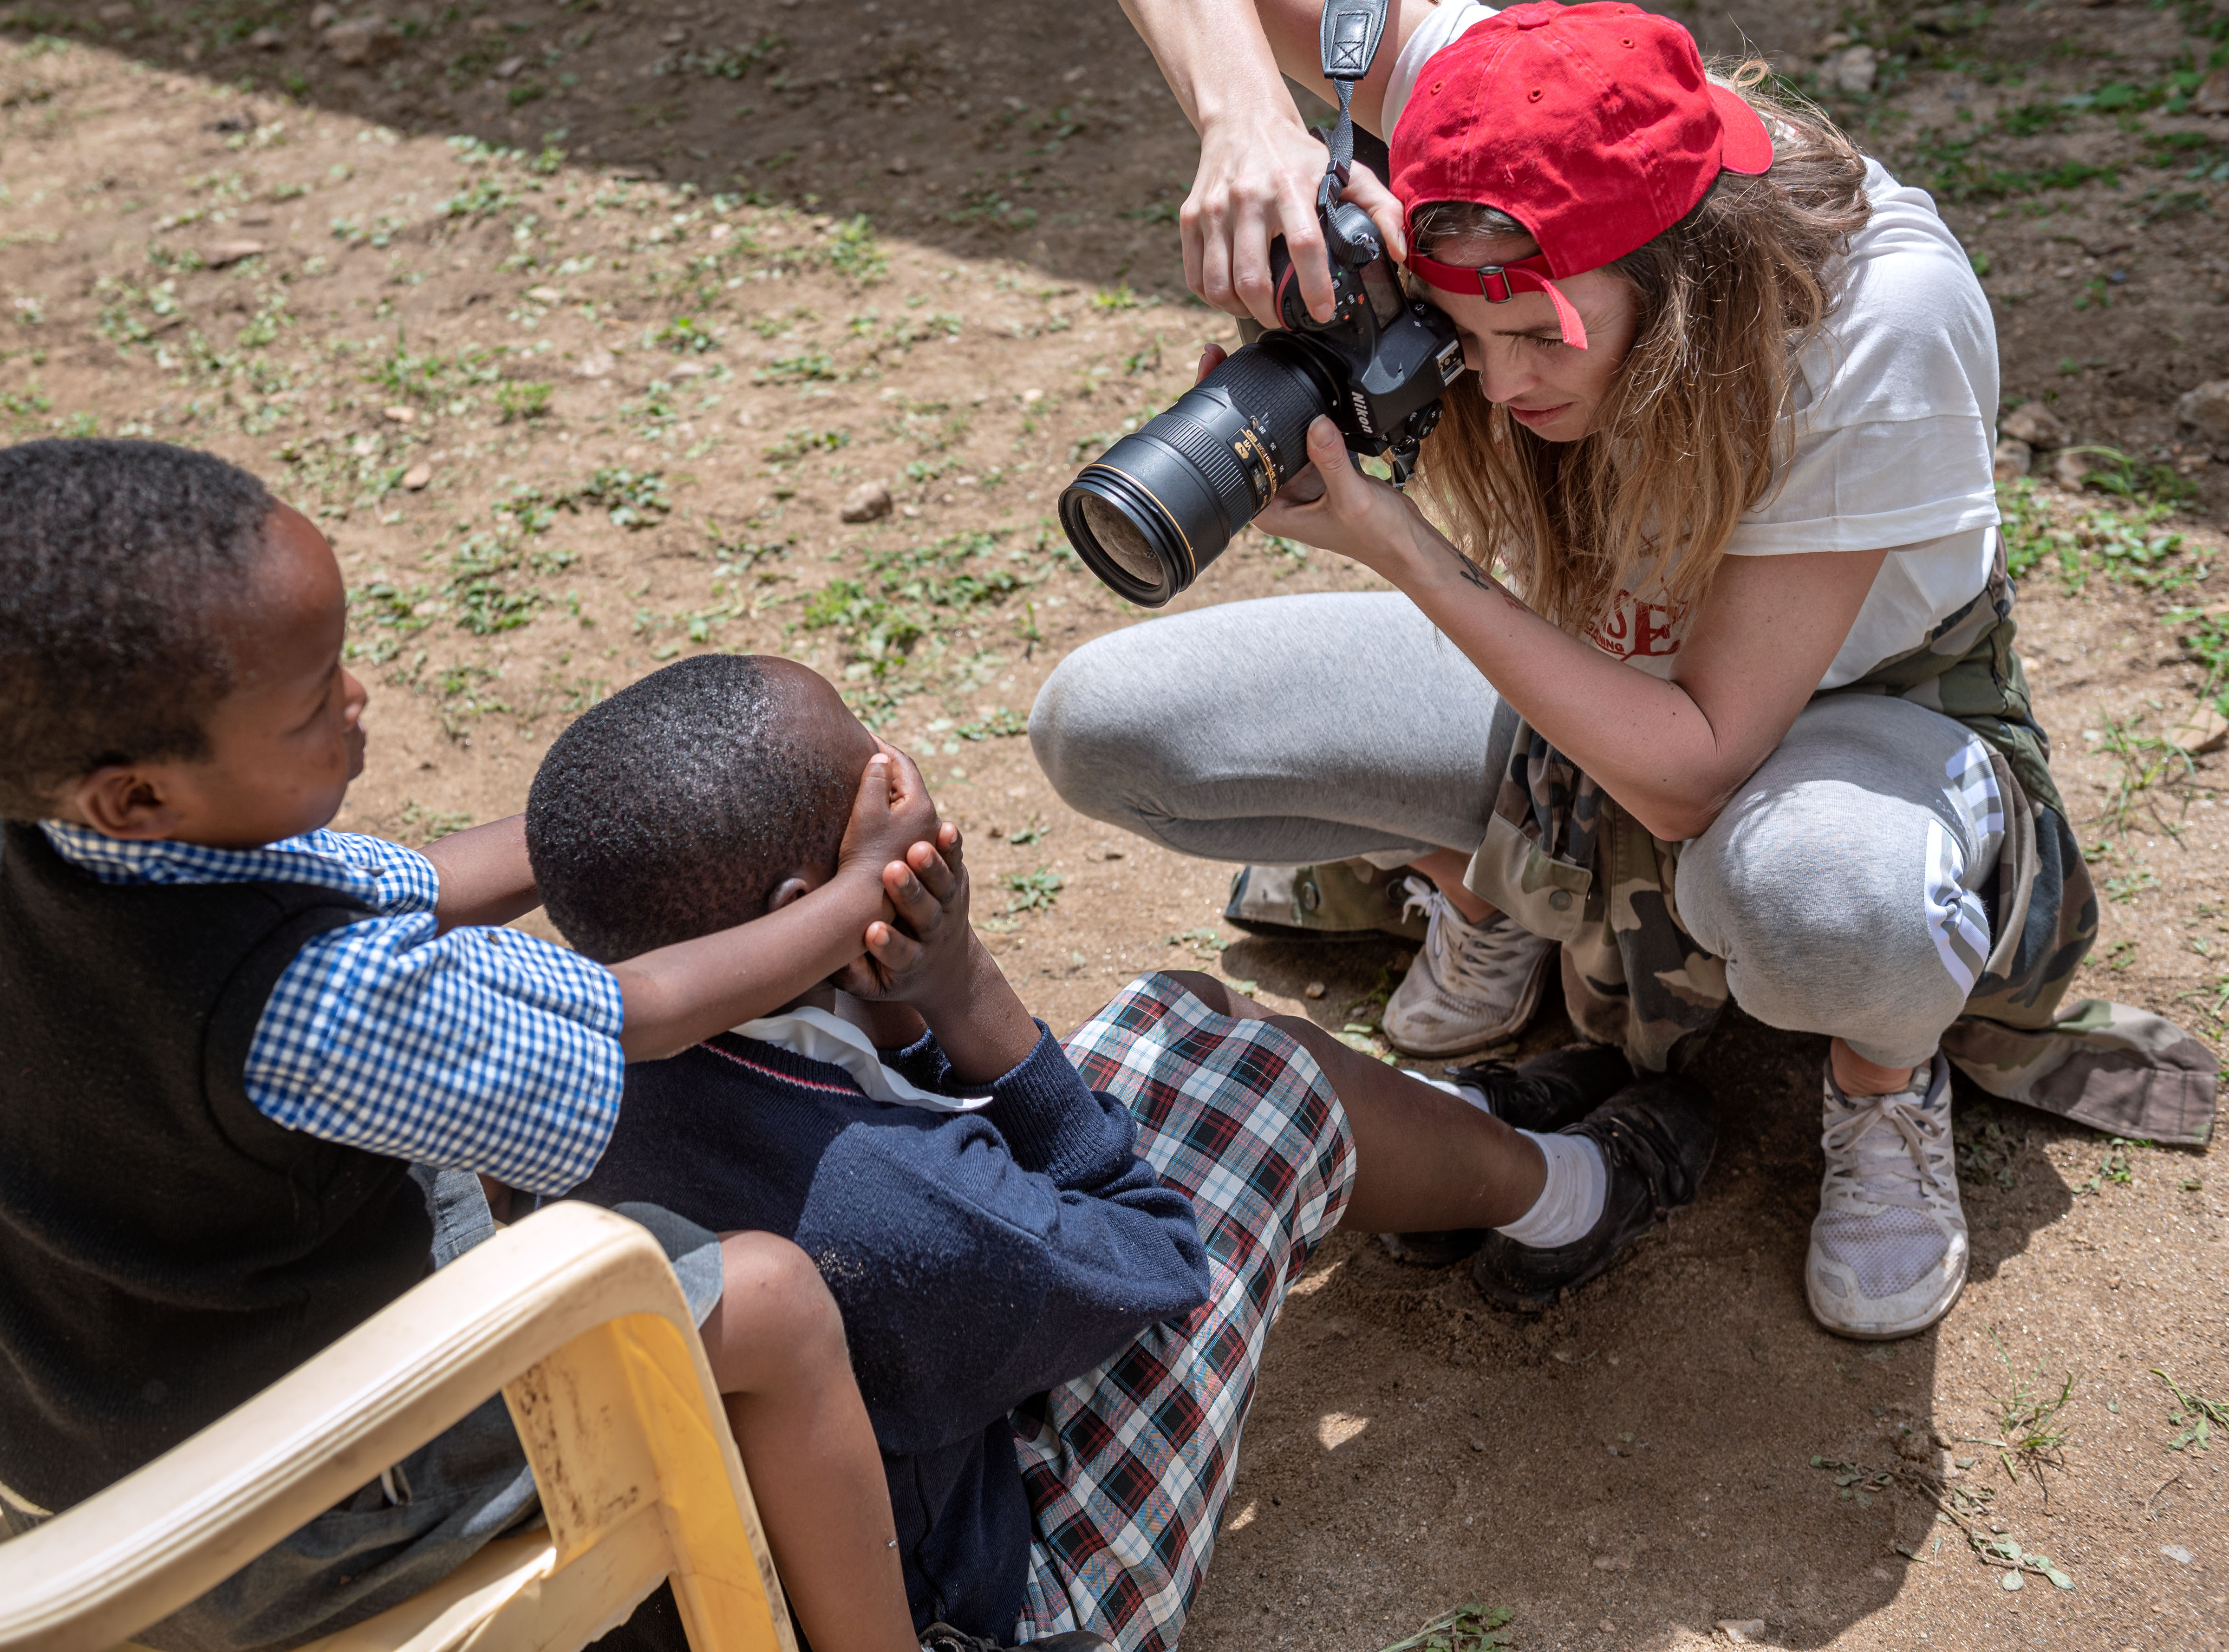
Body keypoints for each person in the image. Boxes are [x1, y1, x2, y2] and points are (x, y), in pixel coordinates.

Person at [1030, 0, 2216, 1343]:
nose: (1501, 383)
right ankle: (1490, 888)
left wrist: (1399, 542)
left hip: (1848, 723)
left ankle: (1877, 1077)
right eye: (1461, 335)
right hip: (1592, 665)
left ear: (1683, 279)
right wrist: (1246, 117)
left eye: (1536, 334)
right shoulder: (1502, 95)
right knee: (1110, 726)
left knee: (1823, 897)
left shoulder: (1875, 316)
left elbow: (1697, 767)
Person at [0, 437, 945, 1652]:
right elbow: (641, 1013)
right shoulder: (307, 999)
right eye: (312, 698)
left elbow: (410, 885)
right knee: (772, 1303)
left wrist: (653, 815)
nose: (358, 695)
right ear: (140, 792)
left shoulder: (72, 839)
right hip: (248, 1532)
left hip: (53, 1415)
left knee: (480, 1179)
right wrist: (857, 894)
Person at [534, 653, 1697, 1652]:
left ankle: (1461, 1137)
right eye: (874, 780)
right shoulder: (885, 1208)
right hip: (1018, 1606)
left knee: (1177, 1011)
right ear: (811, 905)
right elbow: (1150, 1248)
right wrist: (961, 985)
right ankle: (1566, 1197)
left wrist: (891, 1005)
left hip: (885, 1483)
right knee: (1268, 1083)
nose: (905, 777)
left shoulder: (560, 1063)